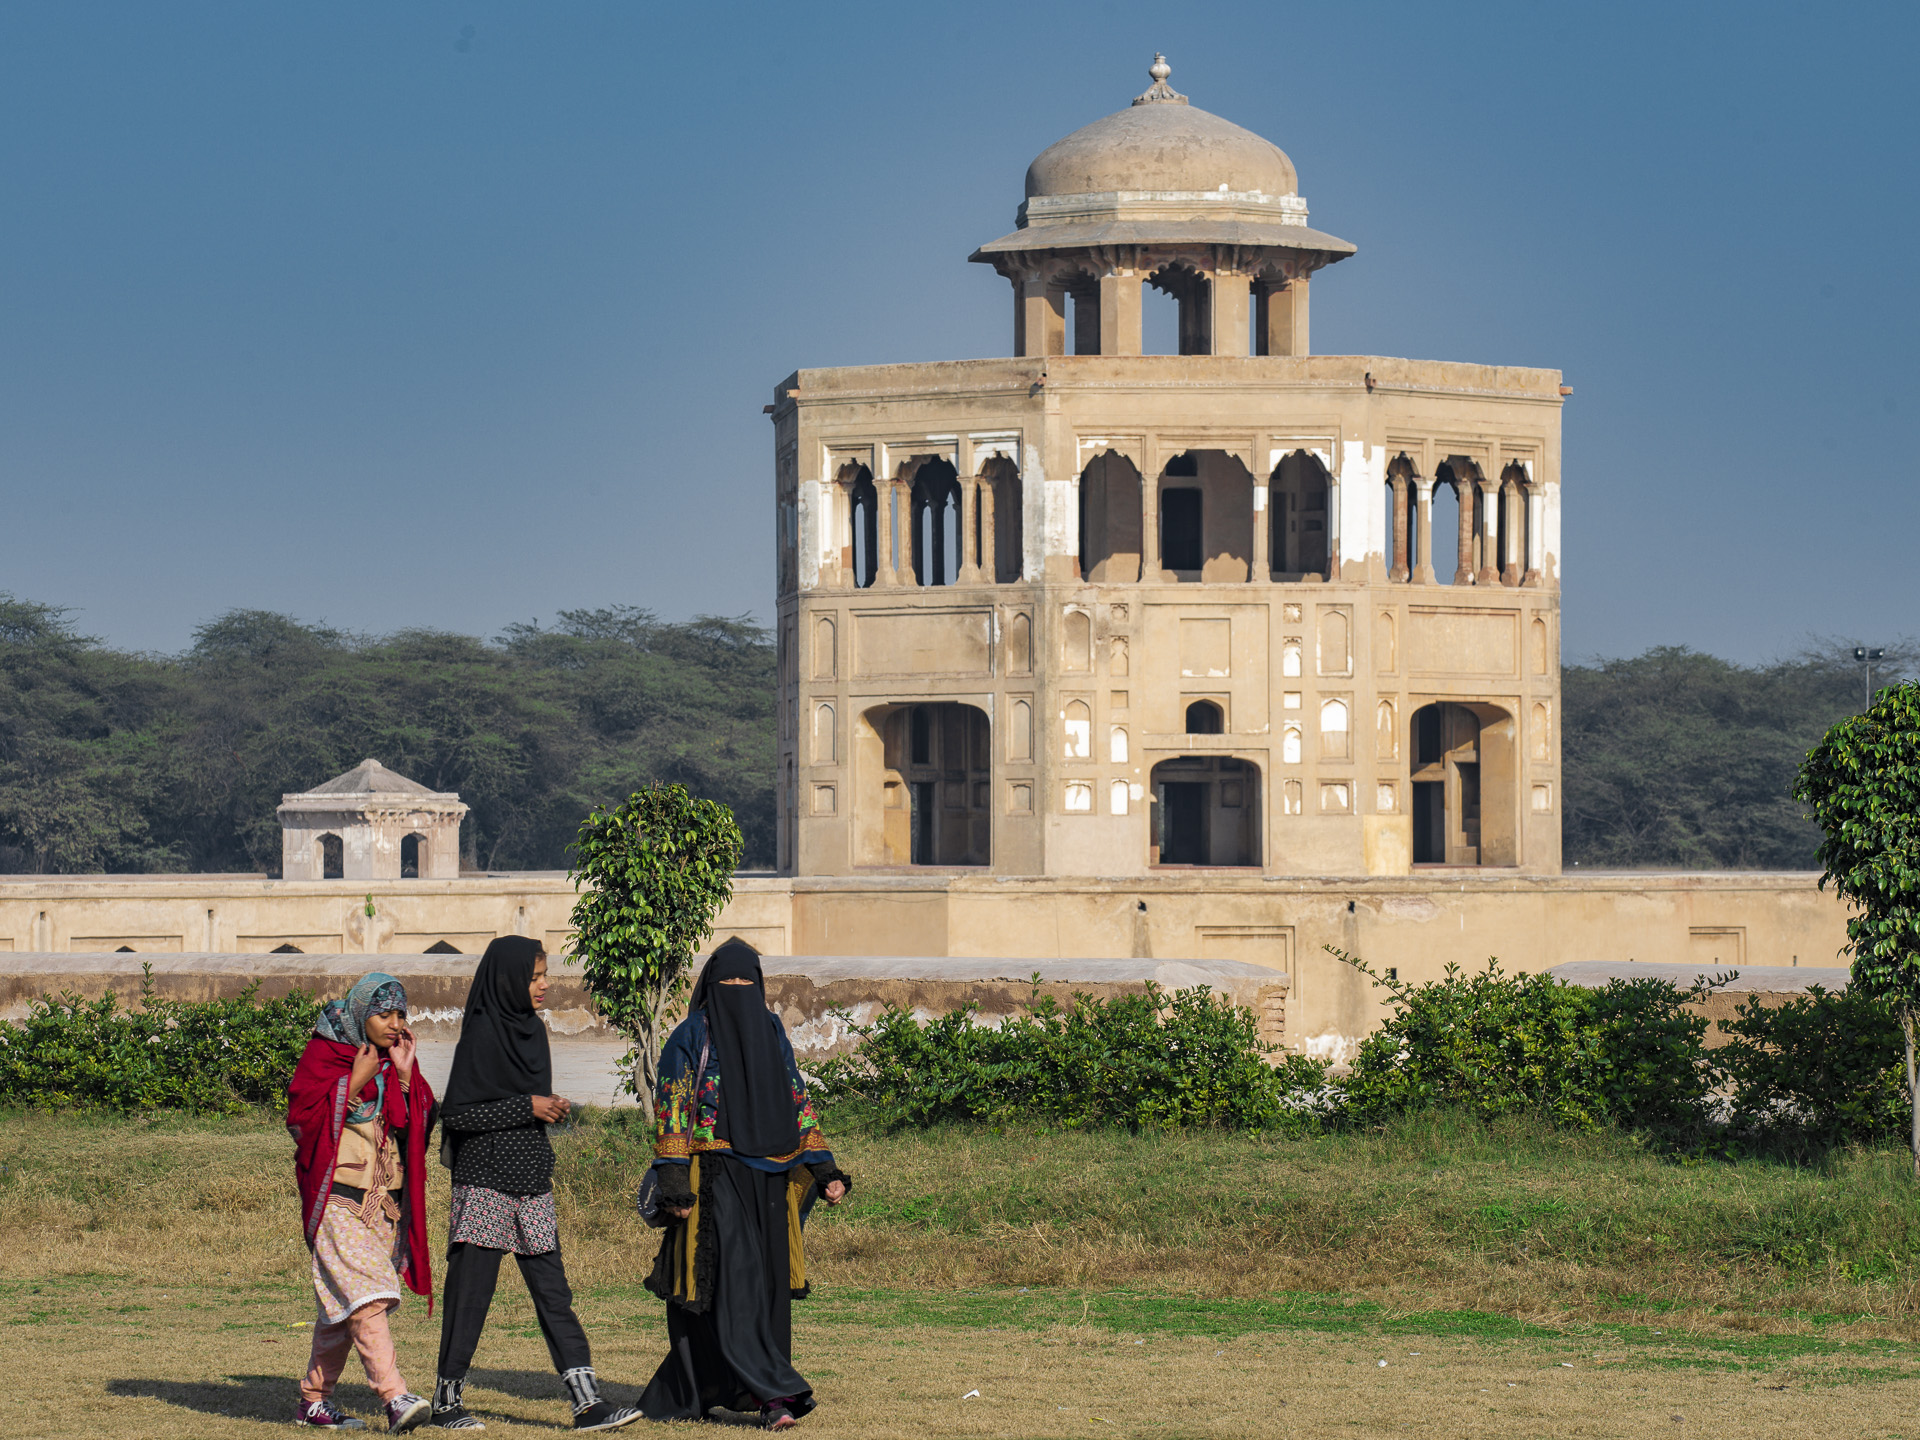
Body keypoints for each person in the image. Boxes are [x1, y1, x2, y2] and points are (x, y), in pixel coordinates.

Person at [637, 939, 852, 1431]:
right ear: (711, 987)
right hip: (716, 1178)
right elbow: (671, 1105)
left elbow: (795, 1096)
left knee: (768, 1287)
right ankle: (776, 1395)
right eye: (727, 983)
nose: (737, 991)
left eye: (746, 984)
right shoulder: (690, 1035)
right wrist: (674, 1182)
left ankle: (697, 1389)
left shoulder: (771, 1027)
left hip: (771, 1178)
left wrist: (825, 1170)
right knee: (737, 1285)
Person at [429, 936, 640, 1432]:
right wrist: (528, 1106)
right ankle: (446, 1402)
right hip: (484, 1180)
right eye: (535, 976)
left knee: (553, 1292)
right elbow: (458, 1114)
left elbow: (525, 1101)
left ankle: (587, 1402)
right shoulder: (482, 1033)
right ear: (508, 979)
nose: (544, 985)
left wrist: (549, 1107)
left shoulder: (532, 1032)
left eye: (546, 975)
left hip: (530, 1178)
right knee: (470, 1294)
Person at [286, 972, 437, 1432]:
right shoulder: (326, 1054)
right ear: (359, 1014)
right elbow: (301, 1119)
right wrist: (353, 1080)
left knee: (343, 1308)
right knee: (369, 1298)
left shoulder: (396, 1061)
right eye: (383, 1014)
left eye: (400, 1015)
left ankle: (313, 1401)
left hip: (383, 1206)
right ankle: (394, 1397)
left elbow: (415, 1130)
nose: (394, 1024)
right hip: (337, 1202)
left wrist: (408, 1079)